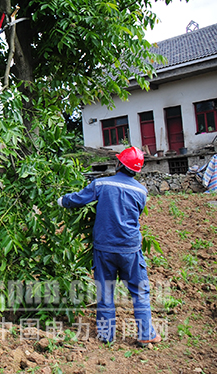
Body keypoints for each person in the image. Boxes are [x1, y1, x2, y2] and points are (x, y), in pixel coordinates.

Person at [57, 146, 161, 345]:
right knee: (139, 291)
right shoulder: (141, 191)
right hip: (130, 248)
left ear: (120, 164)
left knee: (105, 290)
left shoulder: (101, 183)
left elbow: (78, 199)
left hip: (104, 248)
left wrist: (62, 201)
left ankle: (106, 335)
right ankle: (146, 335)